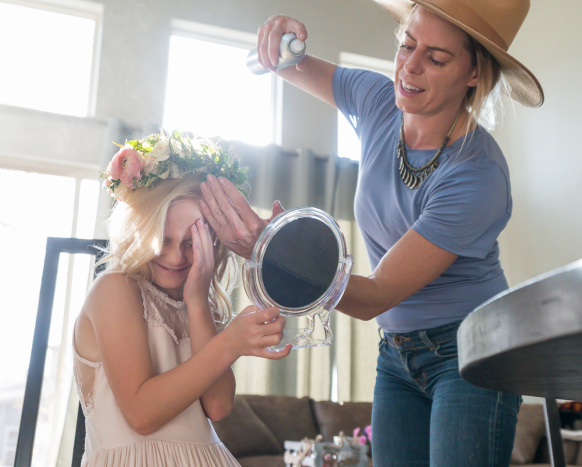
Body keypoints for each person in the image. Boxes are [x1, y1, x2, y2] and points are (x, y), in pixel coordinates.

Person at [198, 1, 544, 466]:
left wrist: (272, 250)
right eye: (407, 44)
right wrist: (278, 40)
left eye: (436, 58)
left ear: (474, 74)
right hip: (396, 354)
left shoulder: (477, 175)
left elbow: (375, 297)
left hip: (470, 353)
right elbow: (283, 63)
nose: (410, 66)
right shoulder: (378, 100)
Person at [72, 131, 291, 467]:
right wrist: (230, 342)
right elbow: (141, 414)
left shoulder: (200, 305)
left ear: (215, 243)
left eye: (193, 242)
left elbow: (217, 406)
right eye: (164, 239)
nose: (176, 258)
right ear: (141, 229)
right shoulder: (115, 289)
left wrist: (198, 301)